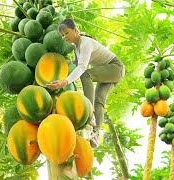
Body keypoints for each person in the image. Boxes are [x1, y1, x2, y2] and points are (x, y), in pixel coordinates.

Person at [45, 18, 125, 148]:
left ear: (75, 30)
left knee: (86, 74)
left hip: (115, 68)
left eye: (67, 32)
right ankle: (96, 134)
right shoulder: (76, 48)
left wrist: (64, 82)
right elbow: (75, 64)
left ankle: (90, 112)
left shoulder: (85, 43)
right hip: (109, 73)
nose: (65, 37)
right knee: (99, 100)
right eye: (62, 35)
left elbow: (81, 67)